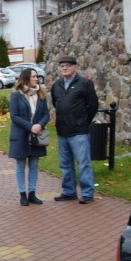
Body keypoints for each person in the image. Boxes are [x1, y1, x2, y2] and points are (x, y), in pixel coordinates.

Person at [49, 55, 98, 204]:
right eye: (62, 66)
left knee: (83, 163)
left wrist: (83, 121)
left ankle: (87, 193)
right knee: (65, 164)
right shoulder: (56, 85)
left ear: (75, 67)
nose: (64, 68)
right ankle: (69, 192)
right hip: (62, 131)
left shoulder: (84, 83)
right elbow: (56, 104)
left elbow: (93, 106)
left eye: (68, 65)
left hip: (79, 132)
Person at [8, 68, 50, 206]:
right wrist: (30, 126)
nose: (36, 78)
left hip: (36, 135)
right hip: (21, 135)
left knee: (34, 164)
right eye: (33, 76)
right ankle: (22, 194)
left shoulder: (41, 94)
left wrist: (40, 125)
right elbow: (14, 116)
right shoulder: (16, 95)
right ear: (26, 78)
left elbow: (46, 114)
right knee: (20, 165)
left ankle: (32, 193)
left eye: (37, 76)